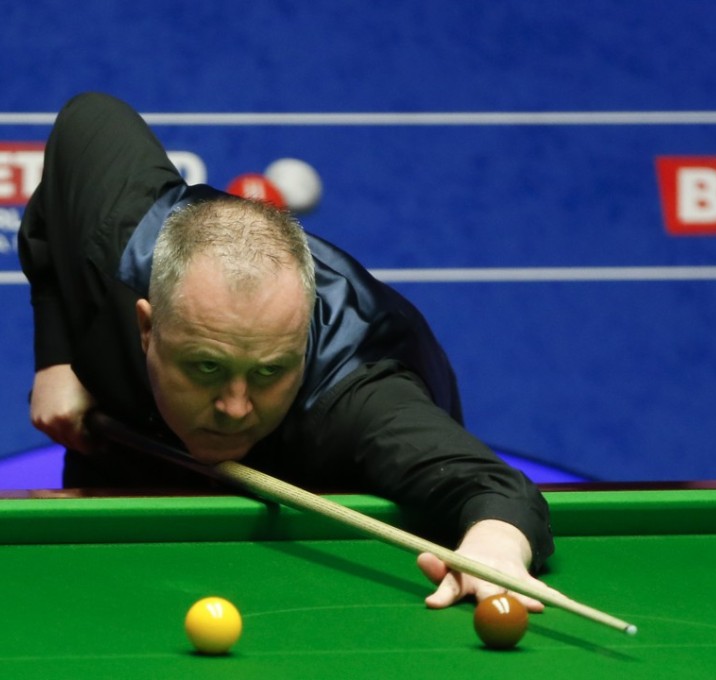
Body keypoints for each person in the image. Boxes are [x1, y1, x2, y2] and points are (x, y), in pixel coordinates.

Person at [18, 92, 553, 611]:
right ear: (146, 327)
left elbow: (493, 487)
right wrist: (57, 355)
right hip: (135, 439)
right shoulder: (114, 242)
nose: (235, 407)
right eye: (207, 367)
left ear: (301, 343)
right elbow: (88, 118)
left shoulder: (358, 399)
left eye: (269, 371)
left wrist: (494, 549)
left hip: (315, 488)